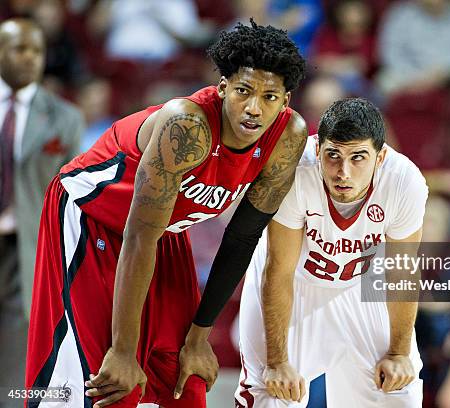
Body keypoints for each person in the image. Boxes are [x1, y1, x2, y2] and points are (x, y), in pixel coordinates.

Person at [25, 20, 307, 408]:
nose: (254, 108)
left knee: (182, 378)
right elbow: (139, 236)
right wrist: (123, 351)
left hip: (163, 231)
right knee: (104, 384)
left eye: (269, 97)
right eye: (243, 91)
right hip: (91, 216)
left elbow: (242, 238)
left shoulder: (288, 136)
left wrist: (199, 337)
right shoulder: (187, 125)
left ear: (285, 100)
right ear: (223, 87)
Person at [235, 98, 428, 407]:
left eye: (358, 158)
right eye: (333, 155)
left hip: (359, 284)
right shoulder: (294, 172)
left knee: (398, 392)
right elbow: (279, 271)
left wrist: (398, 353)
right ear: (317, 150)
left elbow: (402, 270)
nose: (343, 172)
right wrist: (278, 361)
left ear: (381, 158)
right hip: (295, 284)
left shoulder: (404, 182)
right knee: (272, 395)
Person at [0, 18, 83, 403]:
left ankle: (11, 401)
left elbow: (71, 194)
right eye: (20, 49)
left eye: (37, 51)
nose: (30, 58)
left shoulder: (65, 117)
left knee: (20, 341)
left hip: (30, 243)